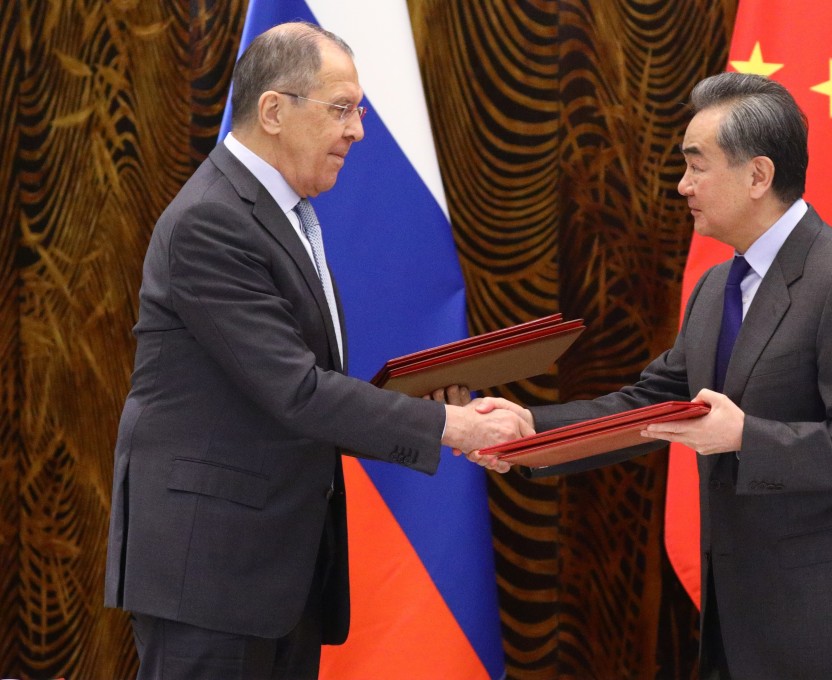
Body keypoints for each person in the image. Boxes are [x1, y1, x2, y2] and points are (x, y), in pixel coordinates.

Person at [104, 21, 531, 680]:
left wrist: (418, 400)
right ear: (273, 111)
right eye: (341, 110)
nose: (358, 131)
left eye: (357, 111)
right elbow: (296, 390)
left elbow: (288, 383)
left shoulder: (283, 213)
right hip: (211, 573)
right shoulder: (211, 221)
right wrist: (453, 427)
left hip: (276, 569)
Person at [468, 72, 832, 679]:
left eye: (696, 166)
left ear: (758, 175)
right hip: (739, 617)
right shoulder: (718, 286)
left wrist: (746, 437)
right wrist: (530, 430)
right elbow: (650, 402)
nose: (682, 185)